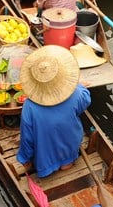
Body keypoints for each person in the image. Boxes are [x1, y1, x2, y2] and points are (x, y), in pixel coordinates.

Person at [17, 45, 91, 177]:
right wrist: (80, 86)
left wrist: (25, 158)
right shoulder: (76, 93)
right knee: (67, 155)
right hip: (70, 143)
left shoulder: (29, 106)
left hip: (45, 153)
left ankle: (51, 167)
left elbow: (27, 137)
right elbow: (85, 101)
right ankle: (67, 163)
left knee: (45, 153)